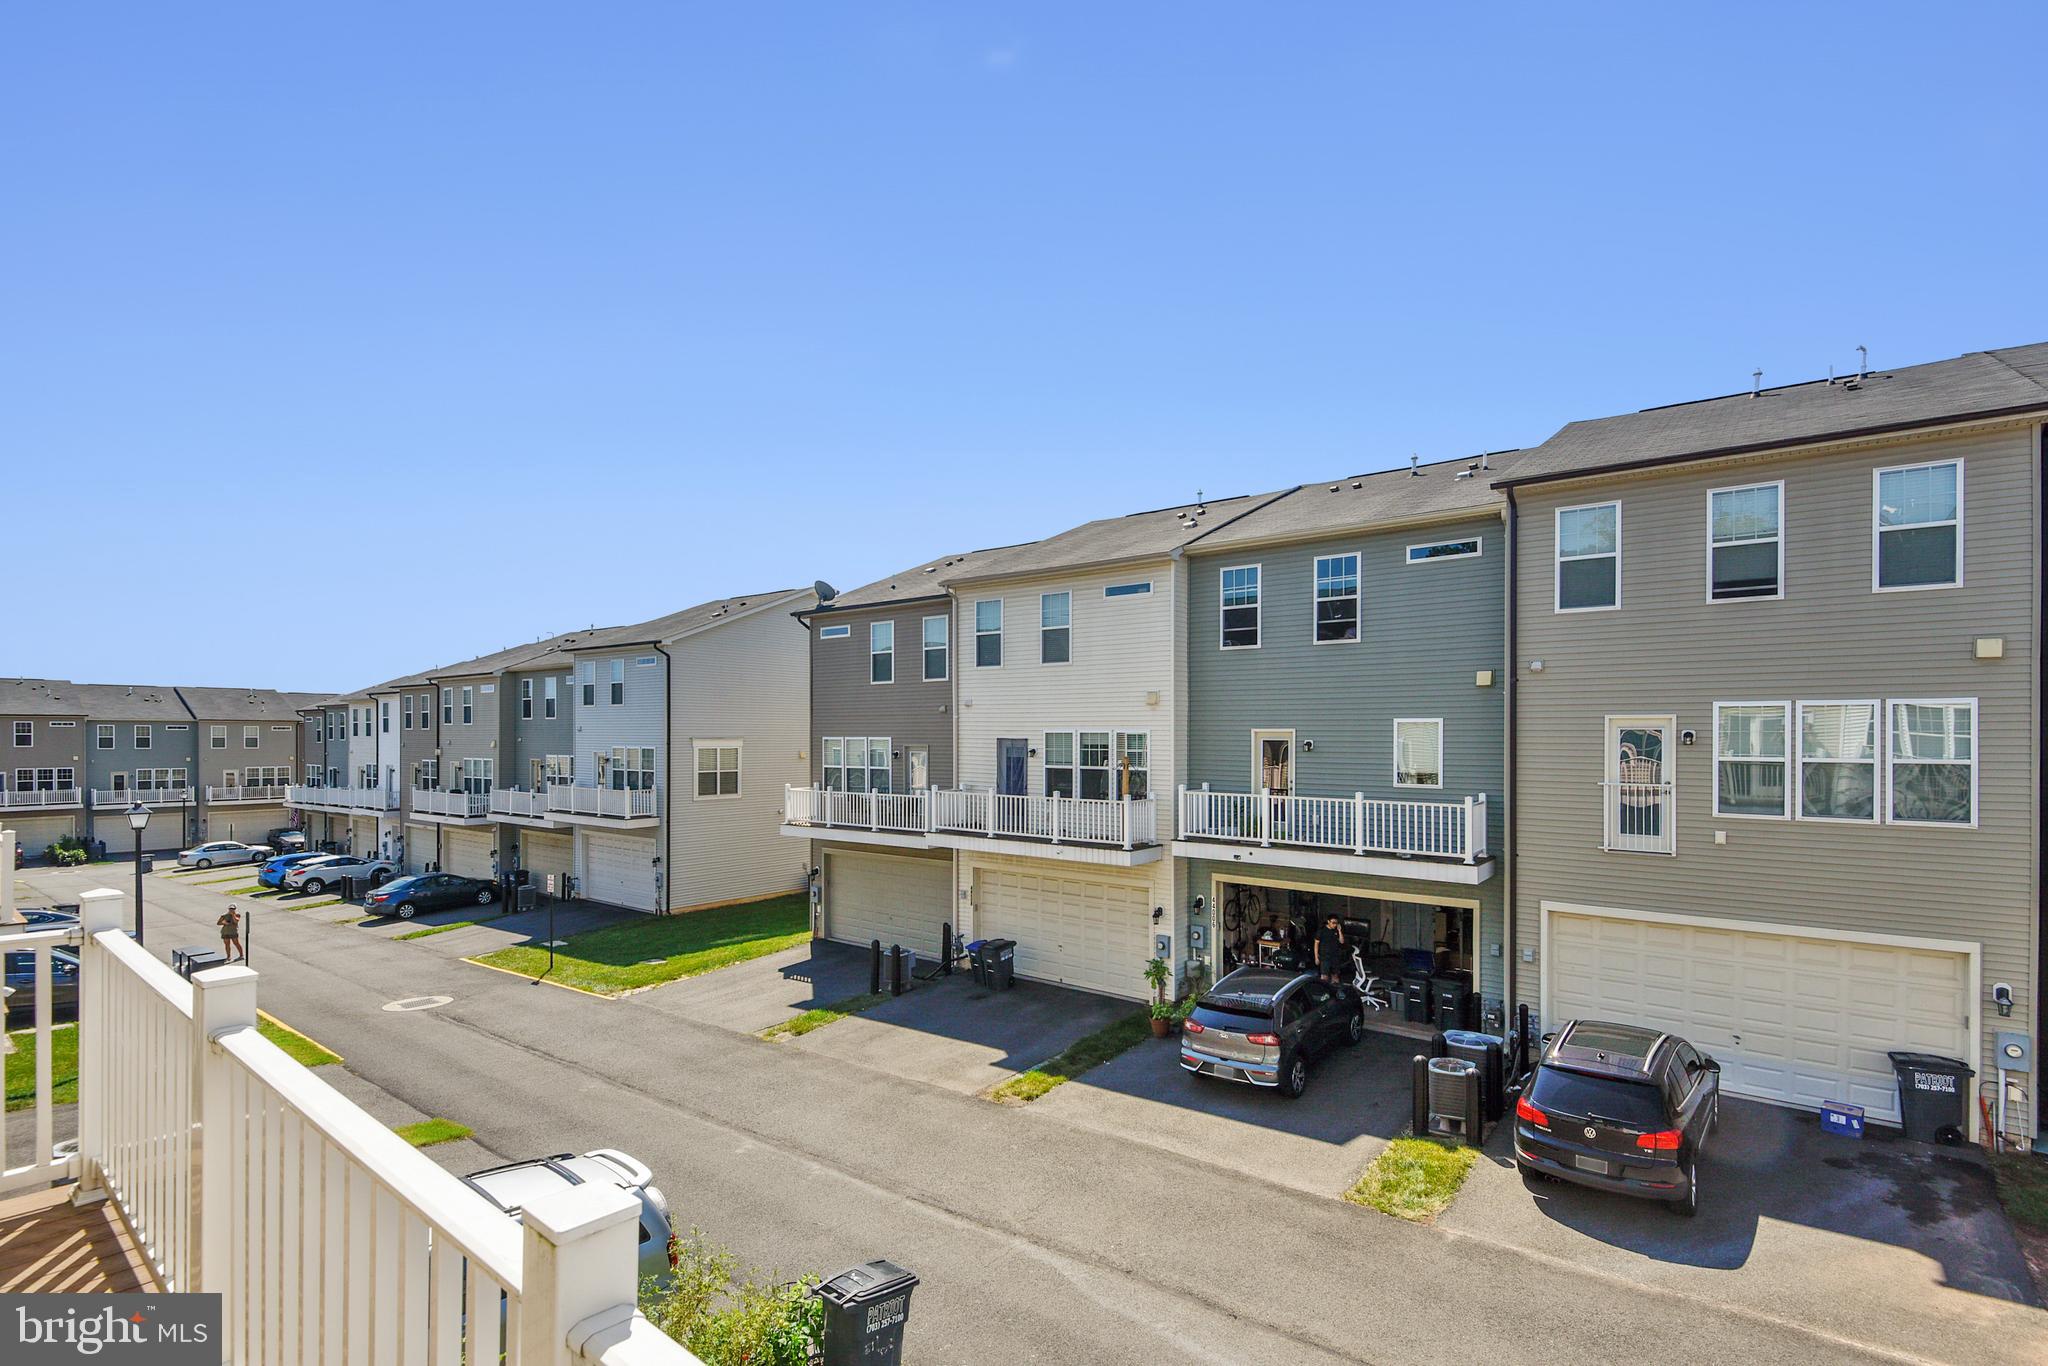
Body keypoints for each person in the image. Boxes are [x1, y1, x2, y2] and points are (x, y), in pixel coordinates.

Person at [1314, 914, 1345, 985]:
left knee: (1335, 976)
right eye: (1333, 923)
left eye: (1336, 923)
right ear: (1328, 921)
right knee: (1324, 976)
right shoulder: (1322, 931)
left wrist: (1339, 931)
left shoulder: (1336, 931)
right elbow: (1316, 944)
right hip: (1325, 956)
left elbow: (1342, 941)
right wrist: (1316, 957)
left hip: (1335, 956)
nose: (1334, 925)